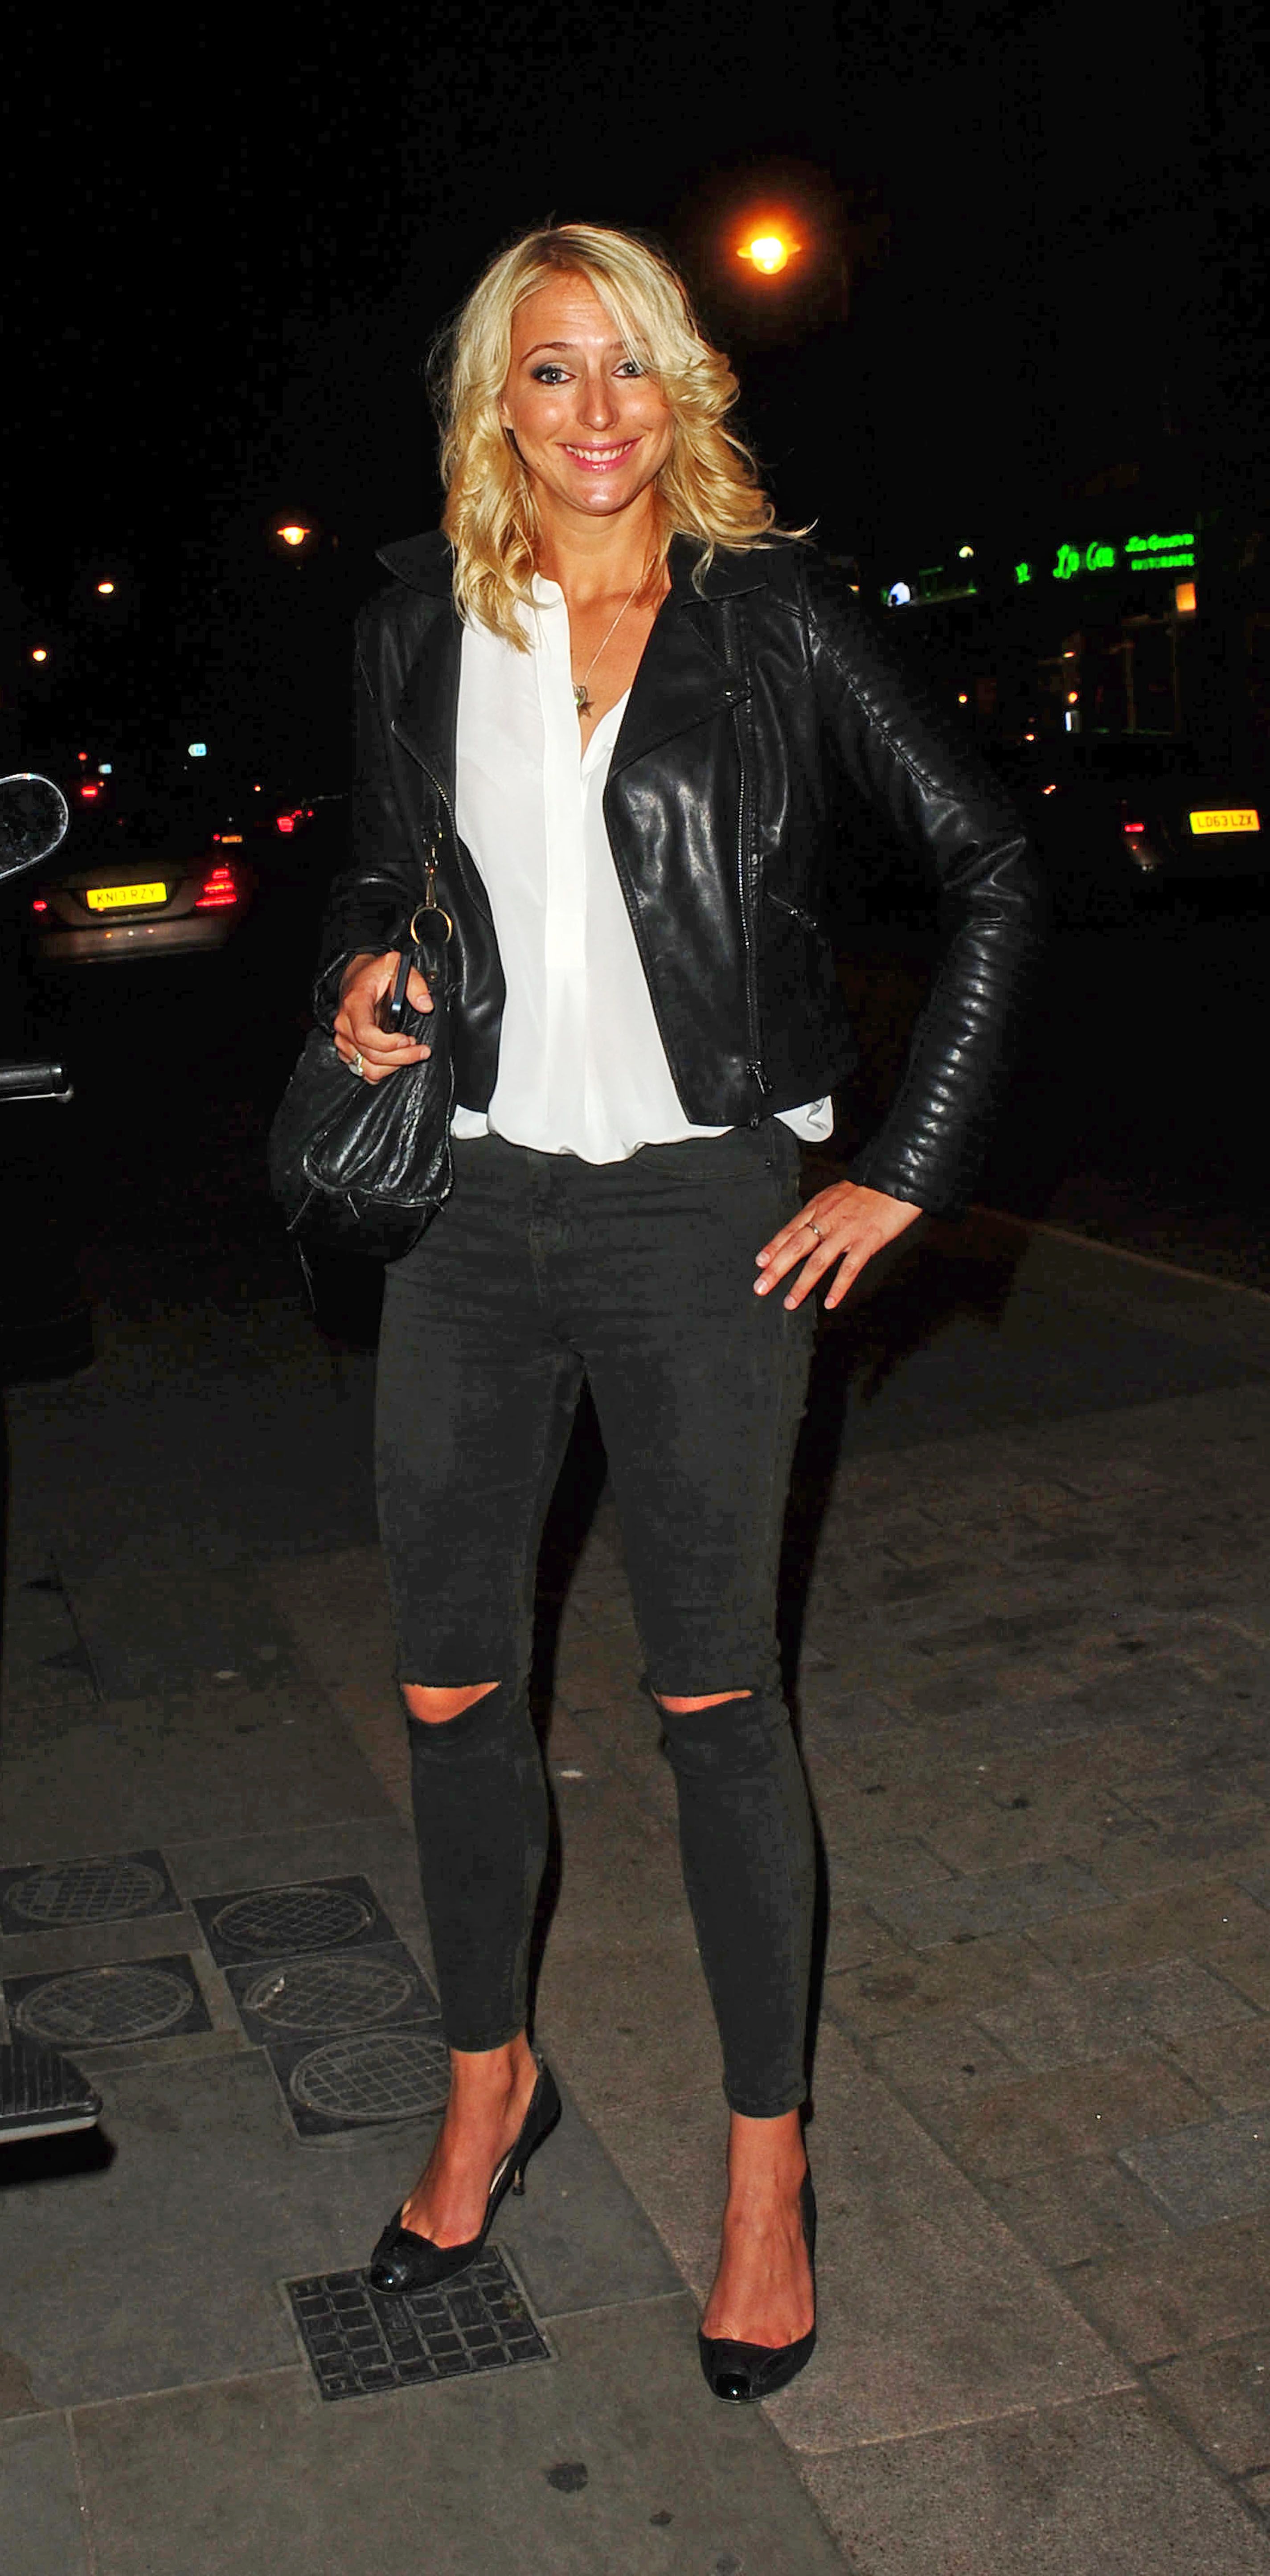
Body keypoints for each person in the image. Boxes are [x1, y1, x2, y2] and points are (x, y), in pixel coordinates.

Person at [316, 222, 1042, 2401]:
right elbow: (381, 878)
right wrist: (361, 983)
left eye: (627, 363)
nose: (595, 409)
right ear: (496, 402)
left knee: (714, 1701)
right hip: (467, 1213)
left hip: (702, 1214)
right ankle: (487, 2083)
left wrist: (903, 1162)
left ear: (681, 385)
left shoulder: (770, 616)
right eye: (551, 370)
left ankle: (762, 2171)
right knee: (448, 1683)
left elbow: (994, 863)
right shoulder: (417, 621)